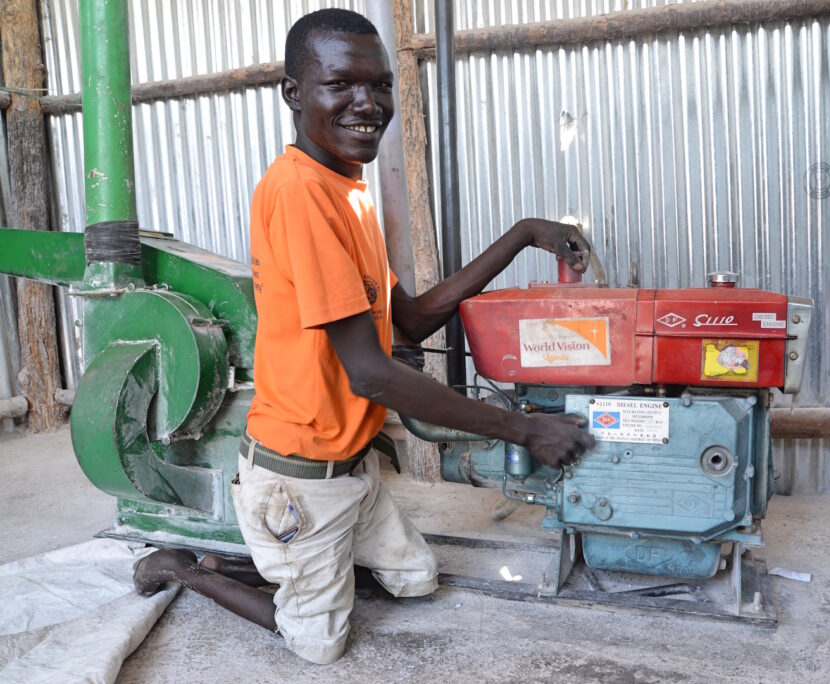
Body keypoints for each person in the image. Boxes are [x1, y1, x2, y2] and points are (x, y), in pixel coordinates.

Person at [132, 8, 595, 665]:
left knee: (416, 581)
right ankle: (184, 569)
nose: (368, 103)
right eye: (341, 84)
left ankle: (277, 564)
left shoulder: (349, 190)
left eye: (379, 85)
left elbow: (413, 318)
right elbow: (371, 373)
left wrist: (522, 235)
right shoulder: (300, 195)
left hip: (354, 470)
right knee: (318, 646)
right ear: (294, 93)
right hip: (298, 478)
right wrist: (525, 429)